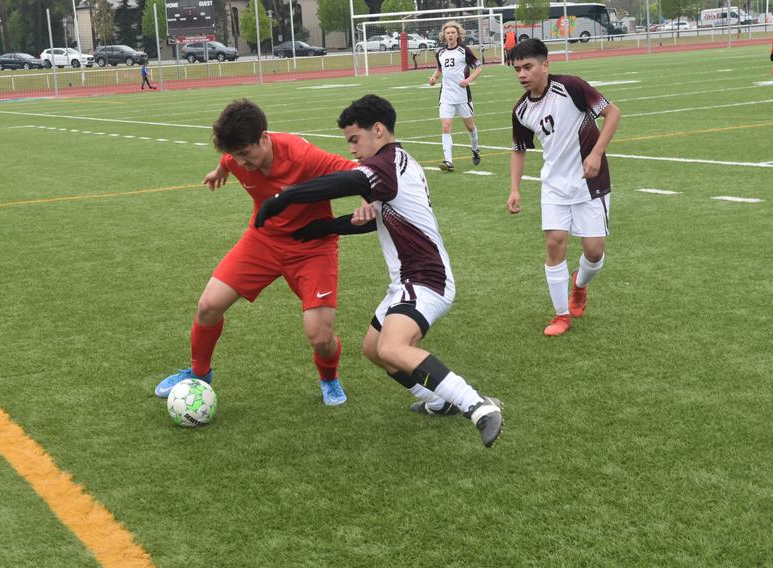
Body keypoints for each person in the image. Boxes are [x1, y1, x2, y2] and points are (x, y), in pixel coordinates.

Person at [254, 94, 503, 448]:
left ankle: (478, 406)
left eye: (355, 139)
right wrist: (323, 228)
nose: (352, 149)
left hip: (426, 279)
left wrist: (285, 197)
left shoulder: (385, 164)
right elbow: (375, 221)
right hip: (406, 281)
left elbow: (347, 181)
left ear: (379, 130)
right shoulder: (396, 164)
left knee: (392, 347)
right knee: (374, 350)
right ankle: (438, 400)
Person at [154, 100, 360, 406]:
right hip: (263, 240)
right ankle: (199, 373)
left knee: (320, 336)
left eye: (245, 154)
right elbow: (228, 159)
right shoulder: (236, 156)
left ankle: (329, 378)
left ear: (264, 137)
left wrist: (370, 198)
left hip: (312, 246)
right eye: (235, 155)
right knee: (208, 305)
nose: (241, 162)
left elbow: (359, 173)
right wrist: (218, 170)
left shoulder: (303, 156)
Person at [505, 39, 620, 336]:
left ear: (546, 64)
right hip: (554, 184)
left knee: (594, 252)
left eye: (528, 67)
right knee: (555, 241)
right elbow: (519, 149)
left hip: (590, 182)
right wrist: (514, 189)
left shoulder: (571, 87)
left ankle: (579, 286)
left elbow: (613, 114)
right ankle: (561, 315)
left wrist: (595, 154)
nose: (522, 74)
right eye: (517, 69)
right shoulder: (520, 111)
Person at [428, 20, 484, 172]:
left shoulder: (464, 50)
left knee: (470, 126)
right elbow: (439, 69)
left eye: (453, 32)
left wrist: (467, 80)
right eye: (448, 33)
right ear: (444, 36)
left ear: (458, 34)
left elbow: (479, 68)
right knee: (446, 126)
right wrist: (434, 78)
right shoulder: (440, 52)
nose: (450, 35)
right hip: (446, 95)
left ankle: (475, 149)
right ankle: (448, 161)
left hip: (462, 96)